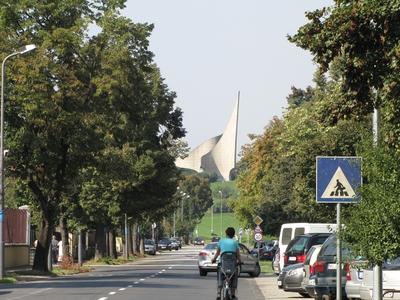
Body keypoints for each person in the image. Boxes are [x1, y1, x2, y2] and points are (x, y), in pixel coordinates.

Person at [211, 227, 241, 300]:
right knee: (234, 275)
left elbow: (218, 252)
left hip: (223, 265)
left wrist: (213, 259)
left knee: (220, 274)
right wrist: (239, 261)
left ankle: (218, 293)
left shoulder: (221, 241)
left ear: (226, 233)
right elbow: (238, 254)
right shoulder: (235, 242)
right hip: (232, 265)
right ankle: (233, 294)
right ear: (233, 235)